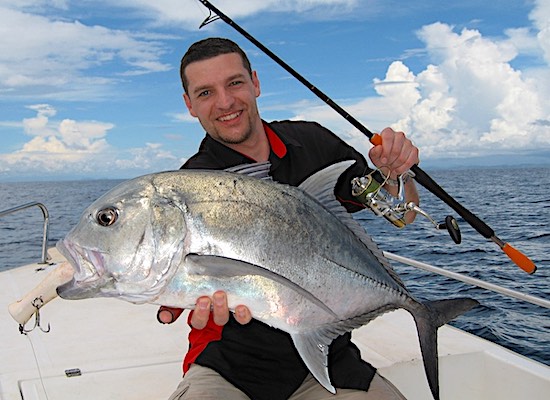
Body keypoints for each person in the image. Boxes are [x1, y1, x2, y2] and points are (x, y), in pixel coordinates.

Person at [159, 37, 420, 400]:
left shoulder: (312, 143)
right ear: (189, 105)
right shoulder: (191, 185)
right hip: (230, 366)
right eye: (205, 93)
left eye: (234, 83)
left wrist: (398, 174)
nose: (225, 103)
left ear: (255, 83)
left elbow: (402, 215)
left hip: (330, 354)